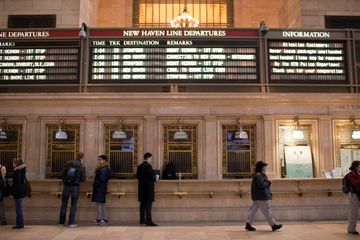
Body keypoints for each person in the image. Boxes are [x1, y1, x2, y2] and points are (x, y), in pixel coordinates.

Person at [245, 161, 282, 232]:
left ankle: (248, 224)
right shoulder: (259, 175)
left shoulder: (257, 174)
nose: (265, 168)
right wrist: (268, 183)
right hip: (262, 196)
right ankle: (273, 225)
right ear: (261, 167)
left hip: (257, 196)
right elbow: (261, 185)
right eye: (264, 166)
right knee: (267, 211)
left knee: (252, 210)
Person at [58, 152, 86, 227]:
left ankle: (61, 222)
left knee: (64, 203)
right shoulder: (81, 166)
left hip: (66, 186)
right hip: (75, 187)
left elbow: (62, 174)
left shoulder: (68, 163)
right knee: (73, 204)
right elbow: (83, 179)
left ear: (76, 155)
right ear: (82, 157)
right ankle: (71, 222)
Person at [136, 152, 159, 226]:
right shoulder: (148, 166)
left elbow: (137, 176)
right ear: (148, 158)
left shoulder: (139, 166)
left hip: (141, 189)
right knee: (148, 206)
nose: (151, 159)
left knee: (142, 205)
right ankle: (149, 222)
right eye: (151, 158)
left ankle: (142, 220)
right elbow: (151, 178)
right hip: (148, 189)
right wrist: (156, 178)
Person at [91, 155, 111, 226]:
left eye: (100, 159)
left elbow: (102, 179)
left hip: (100, 187)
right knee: (101, 203)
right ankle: (102, 219)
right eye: (98, 159)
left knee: (100, 203)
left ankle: (101, 219)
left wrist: (95, 183)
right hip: (101, 187)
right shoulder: (104, 167)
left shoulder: (103, 168)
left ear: (104, 160)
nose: (99, 161)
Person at [12, 158, 27, 229]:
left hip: (18, 193)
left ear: (17, 164)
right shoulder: (21, 171)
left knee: (18, 209)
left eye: (14, 163)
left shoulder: (18, 172)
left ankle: (20, 224)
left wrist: (13, 193)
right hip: (20, 192)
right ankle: (20, 224)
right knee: (18, 209)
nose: (12, 164)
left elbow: (17, 184)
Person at [346, 160, 360, 235]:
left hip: (358, 194)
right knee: (353, 212)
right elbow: (356, 183)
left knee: (355, 212)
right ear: (356, 166)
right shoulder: (350, 174)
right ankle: (351, 229)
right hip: (353, 195)